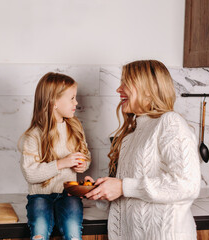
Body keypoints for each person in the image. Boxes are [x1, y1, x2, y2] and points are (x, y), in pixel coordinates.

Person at [85, 60, 201, 240]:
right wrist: (100, 191)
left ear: (148, 89)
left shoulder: (170, 122)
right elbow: (129, 196)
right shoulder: (131, 135)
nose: (118, 89)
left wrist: (123, 186)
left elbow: (187, 184)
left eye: (125, 83)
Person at [19, 72, 91, 240]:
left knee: (73, 232)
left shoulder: (74, 128)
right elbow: (30, 173)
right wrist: (61, 163)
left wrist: (82, 164)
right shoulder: (34, 135)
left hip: (68, 195)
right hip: (39, 197)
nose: (76, 102)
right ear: (54, 102)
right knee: (39, 231)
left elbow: (85, 156)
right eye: (72, 98)